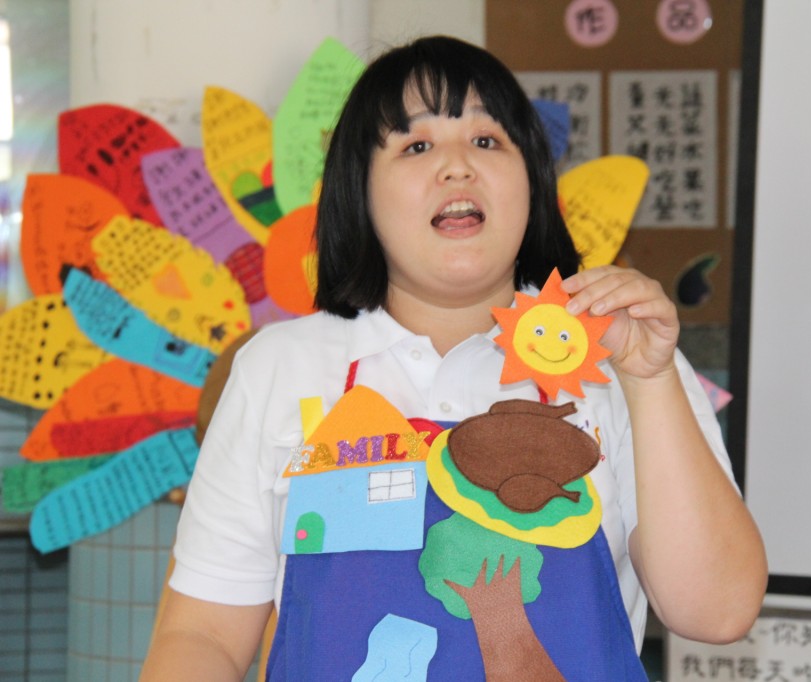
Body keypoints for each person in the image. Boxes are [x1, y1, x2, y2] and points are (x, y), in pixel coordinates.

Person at [141, 35, 767, 681]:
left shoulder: (620, 361)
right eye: (415, 146)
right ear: (359, 192)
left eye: (487, 140)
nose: (457, 166)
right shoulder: (279, 367)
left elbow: (717, 612)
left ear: (533, 184)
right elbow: (203, 636)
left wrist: (651, 378)